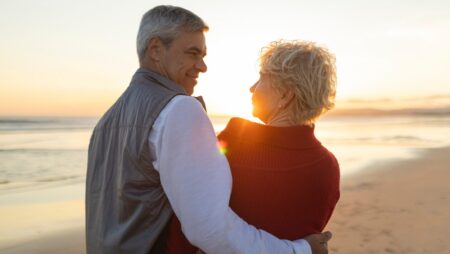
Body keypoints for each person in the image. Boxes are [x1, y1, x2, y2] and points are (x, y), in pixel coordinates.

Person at [86, 5, 331, 254]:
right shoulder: (178, 109)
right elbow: (209, 230)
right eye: (193, 53)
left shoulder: (105, 123)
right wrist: (300, 250)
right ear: (156, 50)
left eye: (203, 55)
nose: (202, 66)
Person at [165, 40, 340, 254]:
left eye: (262, 77)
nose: (252, 87)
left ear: (285, 95)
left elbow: (187, 226)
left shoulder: (233, 143)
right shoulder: (328, 167)